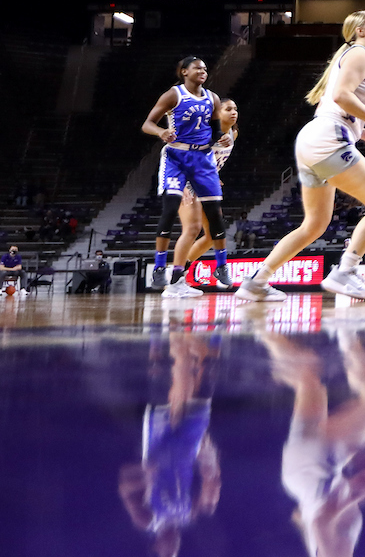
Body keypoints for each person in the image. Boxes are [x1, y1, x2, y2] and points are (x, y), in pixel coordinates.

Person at [238, 11, 365, 302]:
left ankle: (257, 281)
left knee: (314, 225)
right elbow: (341, 96)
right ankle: (346, 270)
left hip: (314, 139)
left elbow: (336, 104)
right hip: (327, 138)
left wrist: (363, 133)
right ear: (360, 30)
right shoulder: (361, 54)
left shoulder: (352, 54)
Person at [261, 332, 365, 557]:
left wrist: (359, 493)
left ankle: (346, 331)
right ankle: (261, 326)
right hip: (302, 475)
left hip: (314, 471)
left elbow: (320, 523)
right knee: (308, 377)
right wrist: (351, 471)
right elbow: (302, 516)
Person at [118, 334, 222, 557]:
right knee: (206, 387)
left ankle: (158, 336)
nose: (174, 550)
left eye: (167, 555)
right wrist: (210, 469)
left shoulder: (147, 520)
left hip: (159, 444)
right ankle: (216, 333)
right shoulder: (187, 516)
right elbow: (207, 487)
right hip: (186, 445)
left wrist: (143, 474)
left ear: (156, 548)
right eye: (176, 554)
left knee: (167, 377)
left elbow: (125, 487)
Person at [141, 56, 234, 298]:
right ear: (184, 72)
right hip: (177, 157)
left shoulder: (213, 99)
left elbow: (213, 133)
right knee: (179, 218)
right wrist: (162, 131)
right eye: (197, 68)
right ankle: (163, 270)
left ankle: (218, 267)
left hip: (201, 161)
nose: (203, 71)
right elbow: (147, 124)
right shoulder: (174, 95)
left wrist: (219, 138)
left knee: (214, 220)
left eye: (205, 68)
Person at [173, 99, 240, 284]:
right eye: (228, 109)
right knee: (192, 229)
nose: (234, 112)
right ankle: (173, 283)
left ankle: (179, 276)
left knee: (213, 234)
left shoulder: (233, 133)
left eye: (235, 109)